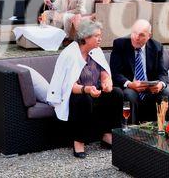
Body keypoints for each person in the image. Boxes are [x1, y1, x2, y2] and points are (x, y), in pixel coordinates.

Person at [47, 20, 124, 159]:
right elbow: (69, 87)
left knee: (117, 93)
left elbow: (104, 73)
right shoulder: (70, 54)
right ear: (85, 37)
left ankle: (107, 135)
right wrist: (87, 89)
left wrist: (107, 83)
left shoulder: (96, 51)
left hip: (94, 91)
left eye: (100, 35)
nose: (100, 38)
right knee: (84, 99)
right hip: (76, 95)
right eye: (96, 36)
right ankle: (79, 141)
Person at [110, 19, 169, 124]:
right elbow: (115, 72)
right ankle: (131, 132)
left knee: (168, 94)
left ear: (149, 36)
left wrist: (160, 85)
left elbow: (163, 73)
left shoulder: (157, 47)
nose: (136, 37)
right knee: (129, 95)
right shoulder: (120, 44)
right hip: (130, 87)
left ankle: (157, 129)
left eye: (141, 35)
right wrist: (130, 84)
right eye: (134, 33)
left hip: (150, 89)